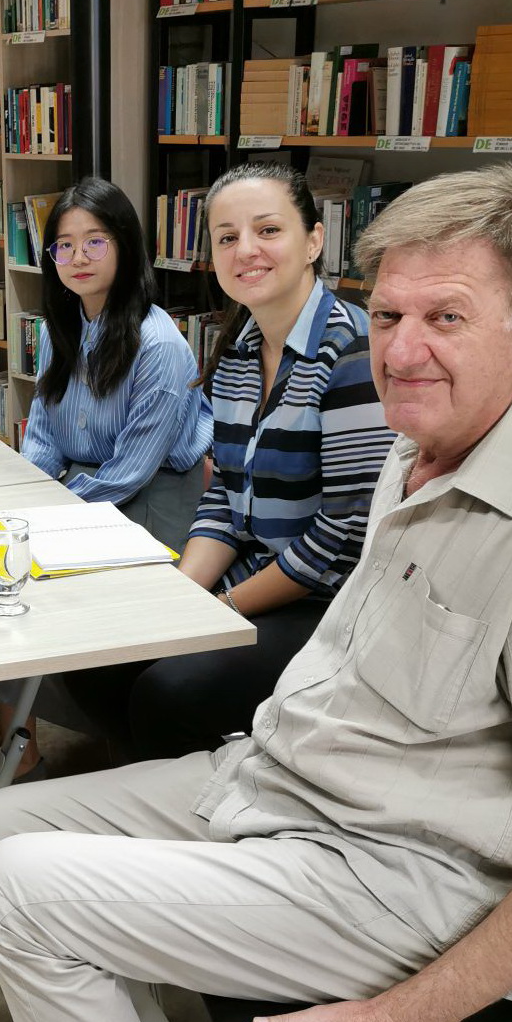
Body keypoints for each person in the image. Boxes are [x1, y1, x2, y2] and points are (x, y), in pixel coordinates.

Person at [0, 163, 512, 1022]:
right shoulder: (420, 439)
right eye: (389, 315)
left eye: (447, 317)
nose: (403, 350)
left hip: (401, 875)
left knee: (21, 889)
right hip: (293, 783)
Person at [66, 162, 395, 760]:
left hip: (329, 600)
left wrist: (220, 610)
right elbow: (223, 494)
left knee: (171, 691)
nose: (246, 250)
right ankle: (165, 775)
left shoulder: (353, 351)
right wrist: (180, 594)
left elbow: (342, 534)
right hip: (252, 573)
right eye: (226, 237)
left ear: (313, 241)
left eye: (268, 230)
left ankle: (197, 792)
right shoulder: (238, 350)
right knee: (94, 654)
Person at [0, 178, 213, 790]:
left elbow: (131, 471)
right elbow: (45, 434)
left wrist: (44, 517)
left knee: (17, 581)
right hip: (82, 492)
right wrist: (23, 498)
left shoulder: (157, 343)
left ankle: (23, 753)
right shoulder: (59, 327)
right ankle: (3, 741)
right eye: (64, 245)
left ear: (126, 245)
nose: (78, 257)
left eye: (95, 241)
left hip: (150, 502)